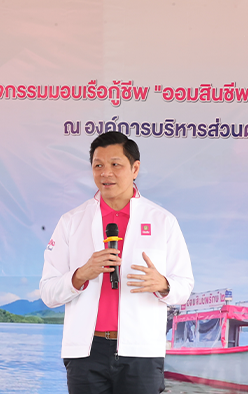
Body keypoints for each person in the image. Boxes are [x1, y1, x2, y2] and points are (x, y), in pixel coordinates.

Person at [40, 131, 194, 394]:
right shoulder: (71, 221)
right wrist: (81, 275)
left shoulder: (162, 221)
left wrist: (163, 284)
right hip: (86, 352)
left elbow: (184, 286)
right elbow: (48, 292)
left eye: (115, 164)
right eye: (98, 165)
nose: (106, 173)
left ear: (135, 169)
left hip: (141, 351)